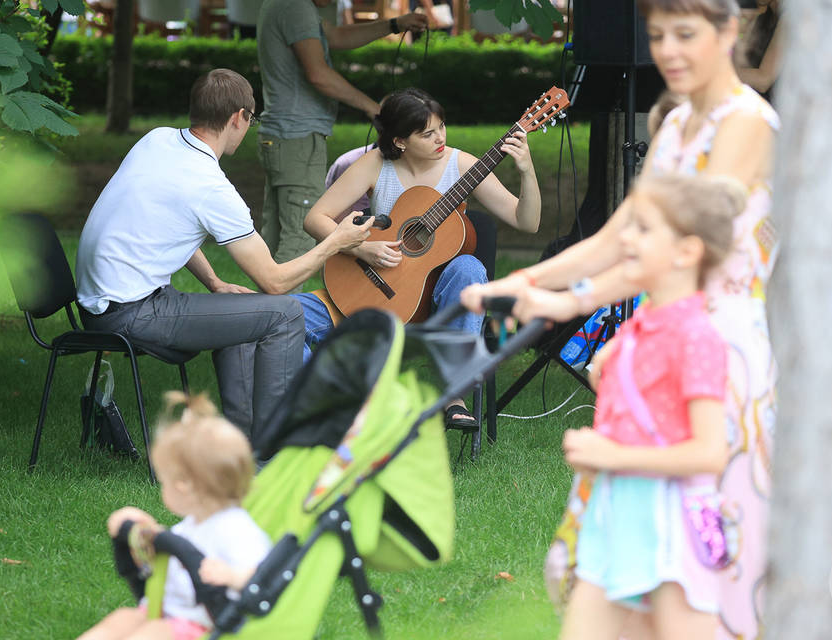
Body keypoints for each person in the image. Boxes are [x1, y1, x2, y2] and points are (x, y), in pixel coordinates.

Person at [461, 1, 779, 637]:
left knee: (700, 573)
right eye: (658, 36)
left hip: (715, 351)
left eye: (686, 34)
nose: (668, 51)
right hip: (657, 338)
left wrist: (562, 299)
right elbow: (620, 234)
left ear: (729, 32)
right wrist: (522, 281)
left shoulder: (749, 123)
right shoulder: (674, 123)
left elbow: (670, 249)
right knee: (622, 563)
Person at [75, 68, 372, 448]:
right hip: (132, 312)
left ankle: (242, 444)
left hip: (98, 306)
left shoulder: (157, 140)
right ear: (238, 118)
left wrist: (215, 284)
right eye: (252, 118)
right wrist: (338, 241)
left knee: (244, 310)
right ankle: (273, 449)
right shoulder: (211, 187)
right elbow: (275, 282)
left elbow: (165, 227)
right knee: (285, 313)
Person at [559, 173, 743, 640]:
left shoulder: (697, 336)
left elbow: (708, 454)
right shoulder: (640, 327)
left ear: (686, 253)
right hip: (614, 519)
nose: (627, 239)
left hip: (673, 533)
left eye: (644, 230)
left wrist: (613, 457)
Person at [301, 87, 542, 429]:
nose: (439, 138)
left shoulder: (461, 165)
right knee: (284, 317)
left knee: (469, 267)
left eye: (441, 127)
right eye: (427, 133)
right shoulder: (375, 165)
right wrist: (360, 248)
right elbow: (315, 218)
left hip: (439, 304)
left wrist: (526, 171)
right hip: (375, 289)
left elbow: (527, 222)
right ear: (400, 141)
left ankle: (451, 394)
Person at [77, 392, 272, 640]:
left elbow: (265, 577)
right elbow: (174, 550)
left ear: (183, 487)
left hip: (202, 624)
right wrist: (145, 530)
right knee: (121, 620)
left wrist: (233, 577)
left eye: (164, 482)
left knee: (152, 633)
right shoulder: (197, 521)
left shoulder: (237, 530)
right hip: (166, 611)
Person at [256, 0, 428, 276]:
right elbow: (318, 73)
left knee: (275, 238)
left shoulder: (286, 5)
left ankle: (262, 315)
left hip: (282, 137)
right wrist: (373, 108)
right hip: (297, 138)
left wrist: (395, 24)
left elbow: (335, 36)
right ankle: (282, 317)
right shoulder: (295, 7)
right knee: (298, 243)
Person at [735, 0, 783, 98]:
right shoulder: (763, 16)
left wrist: (720, 72)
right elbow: (743, 61)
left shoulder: (789, 21)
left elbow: (763, 80)